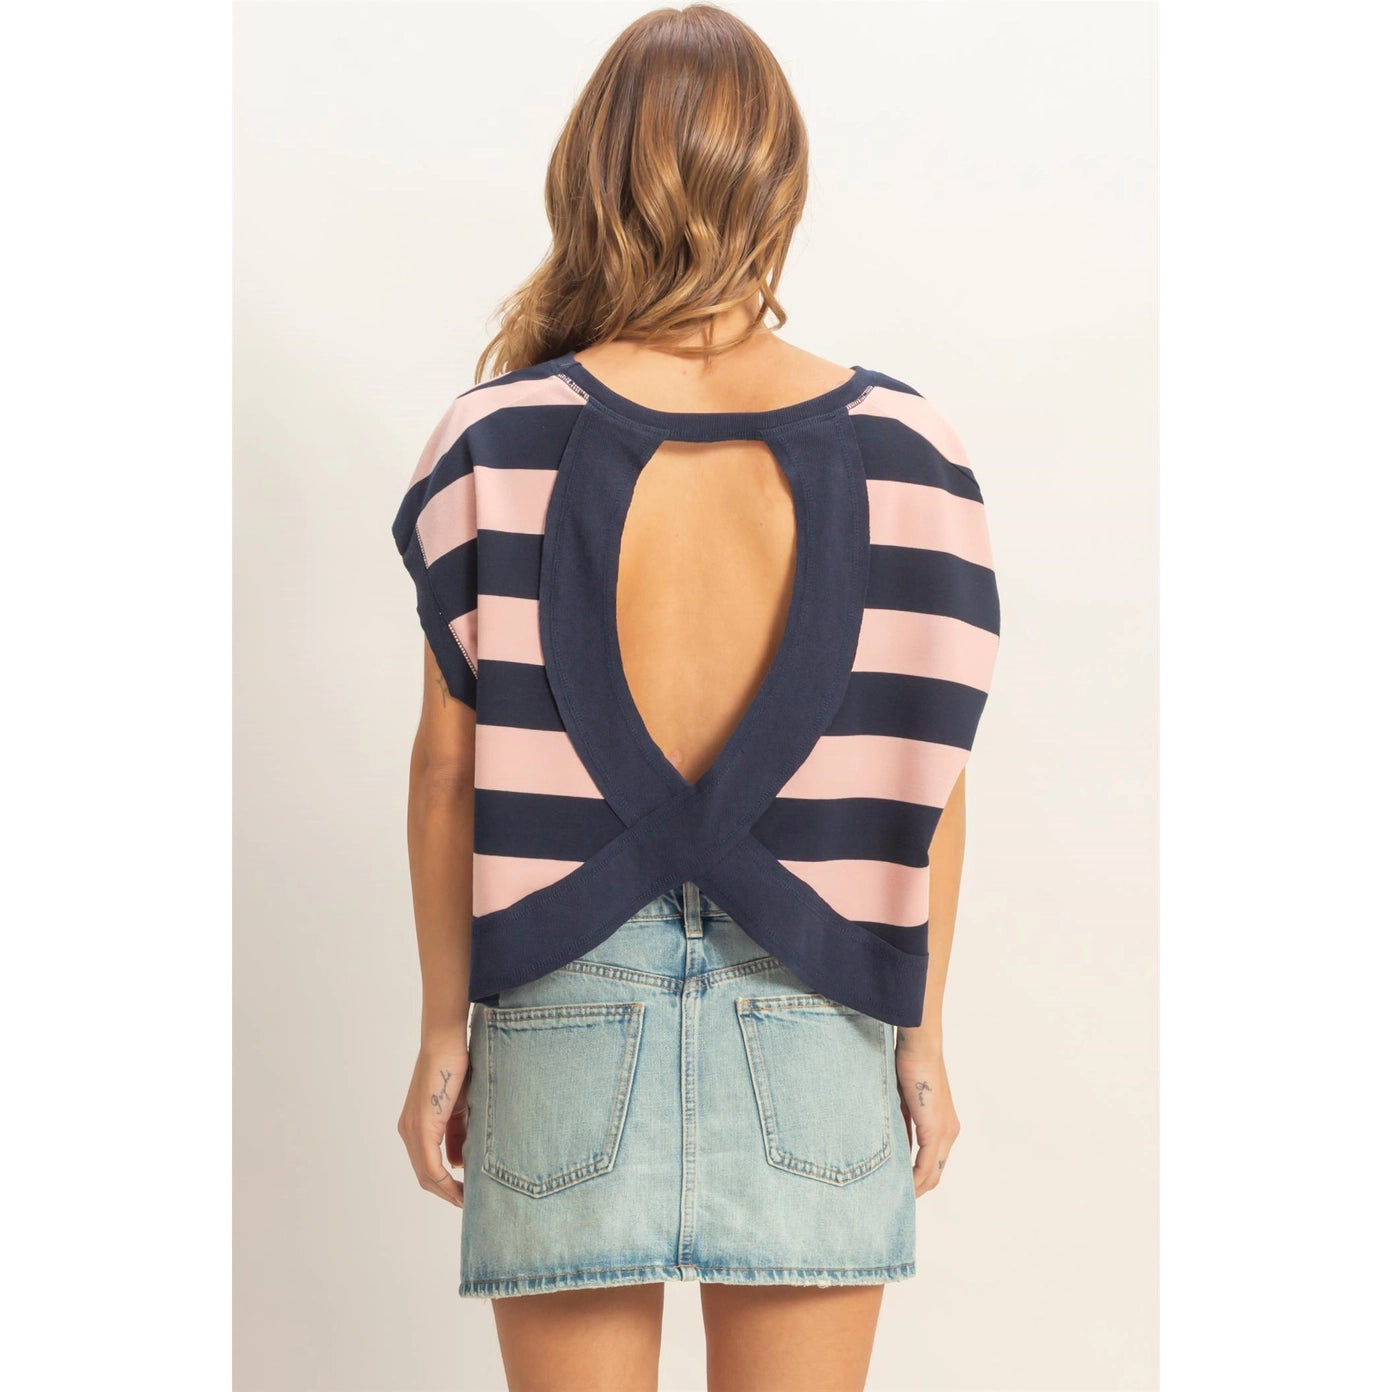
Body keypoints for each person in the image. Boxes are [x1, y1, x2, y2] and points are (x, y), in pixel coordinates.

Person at [391, 6, 999, 1389]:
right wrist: (921, 1035)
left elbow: (447, 772)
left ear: (588, 176)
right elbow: (927, 778)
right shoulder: (911, 450)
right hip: (819, 1004)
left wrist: (440, 1032)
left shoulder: (495, 438)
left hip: (560, 1009)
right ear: (779, 179)